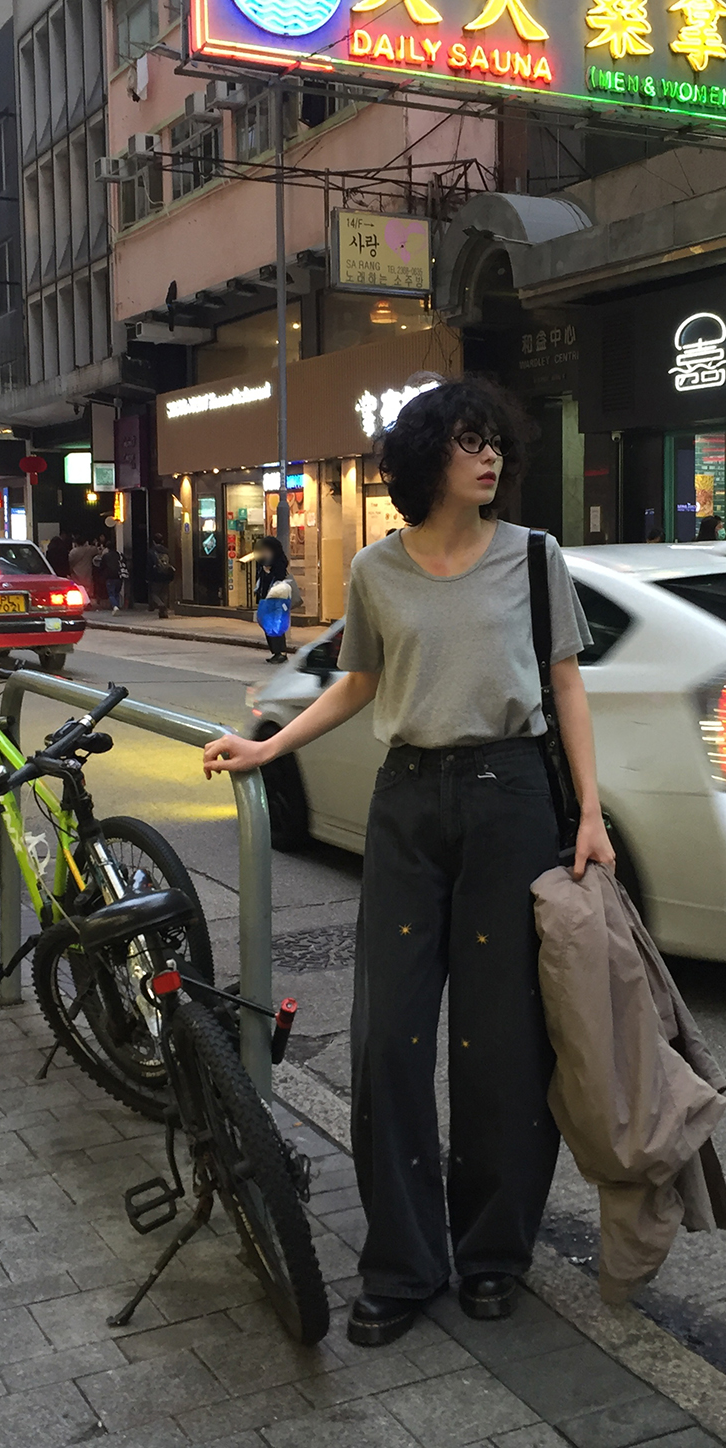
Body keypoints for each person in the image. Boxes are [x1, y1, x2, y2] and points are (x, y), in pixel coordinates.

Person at [202, 376, 615, 1348]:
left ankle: (492, 1252)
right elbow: (358, 682)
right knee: (387, 1037)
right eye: (470, 440)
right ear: (428, 458)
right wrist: (269, 745)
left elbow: (566, 686)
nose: (491, 455)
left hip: (512, 798)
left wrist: (590, 813)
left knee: (500, 1044)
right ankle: (403, 1262)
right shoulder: (377, 570)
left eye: (495, 440)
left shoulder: (535, 557)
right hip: (409, 802)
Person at [254, 535, 294, 663]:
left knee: (276, 626)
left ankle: (281, 652)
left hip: (278, 600)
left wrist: (268, 572)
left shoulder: (279, 565)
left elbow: (279, 580)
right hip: (266, 599)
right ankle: (275, 652)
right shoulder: (262, 564)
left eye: (267, 550)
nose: (265, 553)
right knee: (268, 626)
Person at [147, 533, 175, 617]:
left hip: (156, 575)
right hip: (166, 575)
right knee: (164, 594)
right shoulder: (167, 551)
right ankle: (163, 613)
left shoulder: (151, 552)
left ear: (153, 541)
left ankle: (161, 605)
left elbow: (149, 566)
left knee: (154, 593)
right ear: (162, 541)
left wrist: (148, 577)